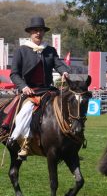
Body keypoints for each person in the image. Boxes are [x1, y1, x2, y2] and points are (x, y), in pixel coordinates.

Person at [8, 16, 70, 158]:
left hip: (47, 89)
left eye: (41, 30)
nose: (38, 33)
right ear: (30, 32)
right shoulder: (21, 50)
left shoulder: (49, 50)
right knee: (26, 112)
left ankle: (70, 144)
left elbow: (58, 64)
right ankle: (24, 144)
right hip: (30, 91)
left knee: (67, 105)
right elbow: (14, 74)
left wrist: (64, 71)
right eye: (35, 30)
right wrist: (23, 86)